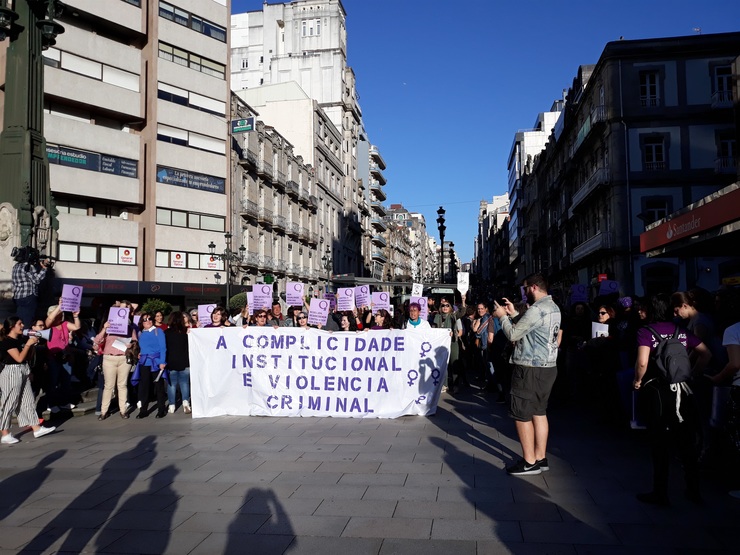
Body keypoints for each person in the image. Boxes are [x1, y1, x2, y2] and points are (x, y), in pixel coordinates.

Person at [633, 293, 710, 505]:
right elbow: (706, 354)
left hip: (658, 392)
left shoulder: (645, 332)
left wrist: (638, 381)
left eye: (643, 308)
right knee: (686, 442)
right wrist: (692, 375)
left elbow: (642, 362)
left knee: (659, 442)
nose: (639, 311)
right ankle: (693, 491)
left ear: (651, 310)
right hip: (683, 391)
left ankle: (661, 493)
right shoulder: (681, 331)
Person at [492, 273, 561, 476]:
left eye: (525, 289)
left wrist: (502, 316)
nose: (524, 293)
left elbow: (514, 334)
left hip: (529, 368)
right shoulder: (553, 307)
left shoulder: (538, 309)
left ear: (533, 288)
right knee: (539, 412)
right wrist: (514, 315)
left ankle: (529, 461)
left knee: (521, 413)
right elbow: (532, 330)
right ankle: (540, 457)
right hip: (548, 367)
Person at [1, 317, 56, 444]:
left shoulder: (20, 340)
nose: (22, 325)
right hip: (11, 373)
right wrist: (28, 344)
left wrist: (31, 346)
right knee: (9, 403)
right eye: (20, 323)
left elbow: (26, 358)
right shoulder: (7, 342)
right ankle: (5, 433)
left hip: (23, 370)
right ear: (12, 326)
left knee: (28, 400)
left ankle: (36, 428)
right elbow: (18, 358)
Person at [93, 310, 138, 420]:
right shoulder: (109, 329)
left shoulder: (130, 329)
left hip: (123, 358)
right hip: (109, 358)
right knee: (109, 385)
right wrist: (104, 328)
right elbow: (97, 340)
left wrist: (131, 344)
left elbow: (135, 342)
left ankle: (123, 411)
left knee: (122, 385)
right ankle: (104, 411)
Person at [44, 302, 81, 413]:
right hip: (53, 357)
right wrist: (59, 306)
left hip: (65, 356)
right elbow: (49, 320)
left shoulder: (64, 324)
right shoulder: (49, 326)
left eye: (62, 313)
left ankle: (64, 402)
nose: (61, 315)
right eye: (59, 314)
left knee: (66, 381)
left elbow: (76, 327)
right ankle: (51, 404)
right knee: (53, 382)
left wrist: (76, 316)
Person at [131, 312, 168, 419]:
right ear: (142, 322)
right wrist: (140, 354)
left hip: (156, 362)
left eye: (150, 319)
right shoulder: (141, 333)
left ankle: (161, 409)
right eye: (145, 319)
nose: (148, 321)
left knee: (159, 386)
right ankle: (143, 410)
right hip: (144, 362)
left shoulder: (158, 331)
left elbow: (163, 348)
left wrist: (162, 361)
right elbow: (142, 347)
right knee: (144, 387)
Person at [11, 247, 49, 326]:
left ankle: (20, 334)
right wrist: (44, 269)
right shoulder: (28, 266)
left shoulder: (15, 267)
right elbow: (36, 280)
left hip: (18, 297)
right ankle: (26, 336)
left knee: (20, 320)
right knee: (28, 320)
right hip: (29, 296)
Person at [434, 297, 463, 392]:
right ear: (440, 308)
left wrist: (463, 300)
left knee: (454, 363)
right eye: (443, 305)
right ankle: (444, 385)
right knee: (443, 364)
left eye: (447, 305)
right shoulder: (437, 317)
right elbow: (433, 329)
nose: (445, 307)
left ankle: (456, 385)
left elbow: (462, 312)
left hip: (452, 342)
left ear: (450, 307)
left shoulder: (453, 316)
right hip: (441, 344)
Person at [165, 311, 191, 414]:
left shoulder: (166, 333)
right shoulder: (186, 332)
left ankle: (172, 405)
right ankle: (185, 402)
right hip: (184, 361)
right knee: (184, 383)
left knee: (171, 385)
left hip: (171, 362)